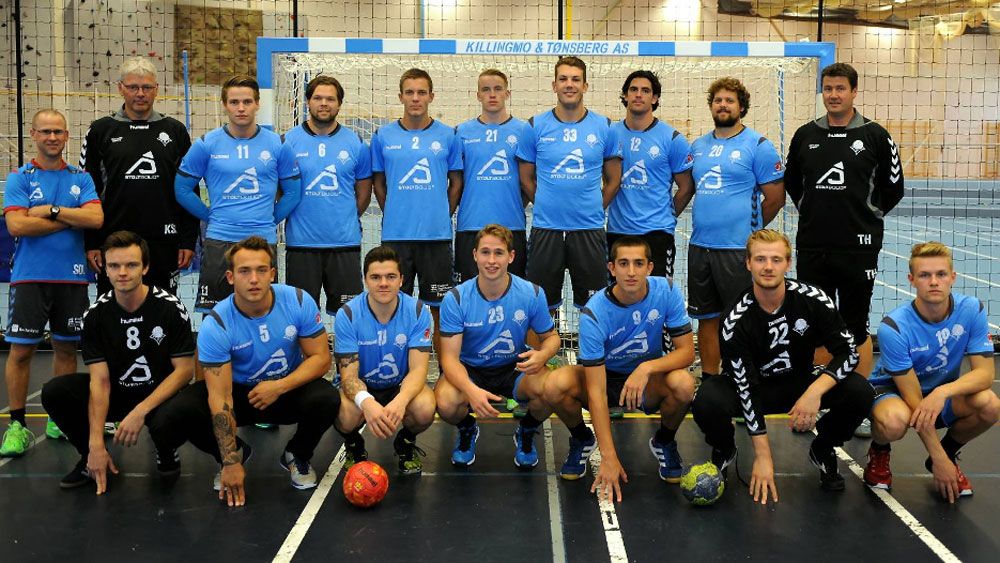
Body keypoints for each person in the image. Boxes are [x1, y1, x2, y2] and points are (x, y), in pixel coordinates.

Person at [692, 229, 875, 504]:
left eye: (776, 259)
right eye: (760, 259)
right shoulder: (735, 319)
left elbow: (848, 352)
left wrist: (814, 392)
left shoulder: (813, 298)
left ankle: (823, 448)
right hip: (755, 386)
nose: (768, 267)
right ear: (748, 263)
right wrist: (763, 456)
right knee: (707, 399)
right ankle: (725, 448)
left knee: (860, 391)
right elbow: (746, 388)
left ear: (788, 264)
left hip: (801, 381)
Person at [154, 236, 339, 506]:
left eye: (261, 270)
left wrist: (279, 386)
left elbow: (321, 359)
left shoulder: (298, 301)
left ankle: (297, 453)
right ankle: (235, 453)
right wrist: (230, 461)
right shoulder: (217, 323)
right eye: (244, 271)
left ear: (272, 274)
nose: (254, 279)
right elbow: (220, 396)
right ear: (230, 277)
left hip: (284, 389)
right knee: (177, 414)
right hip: (238, 393)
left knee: (327, 398)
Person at [543, 236, 695, 501]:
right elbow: (596, 392)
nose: (631, 272)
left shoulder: (667, 291)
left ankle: (664, 441)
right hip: (605, 376)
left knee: (684, 384)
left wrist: (646, 368)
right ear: (612, 269)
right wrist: (609, 457)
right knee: (555, 384)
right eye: (623, 264)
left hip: (647, 380)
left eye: (638, 263)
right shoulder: (594, 312)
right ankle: (582, 438)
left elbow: (687, 352)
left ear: (650, 267)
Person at [41, 231, 195, 491]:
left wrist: (140, 411)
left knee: (183, 408)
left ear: (145, 268)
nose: (122, 272)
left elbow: (185, 371)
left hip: (159, 397)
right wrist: (95, 445)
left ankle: (166, 448)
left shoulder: (170, 307)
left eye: (131, 265)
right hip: (117, 393)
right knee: (55, 391)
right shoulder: (95, 315)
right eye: (114, 266)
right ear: (105, 269)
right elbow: (99, 381)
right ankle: (89, 459)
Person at [784, 62, 904, 382]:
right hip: (813, 245)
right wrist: (811, 209)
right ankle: (820, 392)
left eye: (840, 88)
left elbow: (894, 186)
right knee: (815, 323)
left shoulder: (876, 135)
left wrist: (868, 214)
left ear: (854, 92)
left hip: (858, 248)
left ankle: (857, 395)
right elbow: (793, 183)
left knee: (856, 325)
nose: (833, 95)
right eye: (828, 88)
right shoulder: (805, 135)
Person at [1, 109, 104, 457]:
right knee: (21, 351)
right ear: (33, 134)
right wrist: (72, 219)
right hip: (29, 278)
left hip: (72, 278)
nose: (52, 137)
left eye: (58, 131)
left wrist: (51, 211)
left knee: (66, 349)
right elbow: (17, 226)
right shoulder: (19, 178)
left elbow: (96, 218)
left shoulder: (81, 177)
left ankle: (57, 418)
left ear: (66, 136)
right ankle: (17, 426)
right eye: (45, 131)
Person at [864, 242, 998, 502]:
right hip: (895, 392)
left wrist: (942, 392)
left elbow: (984, 375)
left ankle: (949, 451)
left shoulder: (972, 309)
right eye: (925, 275)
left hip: (938, 392)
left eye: (941, 274)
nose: (934, 282)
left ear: (953, 277)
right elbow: (915, 401)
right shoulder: (894, 326)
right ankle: (879, 450)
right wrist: (938, 459)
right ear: (912, 279)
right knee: (894, 422)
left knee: (990, 405)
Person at [680, 77, 784, 381]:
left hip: (737, 250)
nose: (723, 105)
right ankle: (711, 381)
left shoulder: (758, 146)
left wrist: (751, 232)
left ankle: (745, 379)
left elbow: (775, 198)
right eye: (718, 100)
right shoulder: (698, 146)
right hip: (701, 248)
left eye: (729, 100)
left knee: (742, 319)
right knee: (707, 319)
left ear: (741, 107)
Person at [436, 224, 560, 468]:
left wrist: (543, 354)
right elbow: (449, 359)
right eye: (485, 252)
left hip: (514, 366)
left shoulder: (531, 293)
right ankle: (467, 428)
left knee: (552, 390)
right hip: (470, 368)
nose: (491, 260)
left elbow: (552, 337)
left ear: (511, 256)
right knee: (446, 402)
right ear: (475, 255)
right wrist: (471, 391)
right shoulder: (456, 298)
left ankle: (527, 430)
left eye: (499, 253)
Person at [174, 75, 301, 313]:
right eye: (234, 102)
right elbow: (181, 188)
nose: (241, 108)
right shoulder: (206, 144)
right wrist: (211, 216)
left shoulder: (277, 144)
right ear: (224, 104)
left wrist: (269, 219)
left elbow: (294, 192)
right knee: (215, 315)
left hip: (263, 240)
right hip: (219, 239)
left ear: (257, 104)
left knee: (262, 311)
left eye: (247, 102)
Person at [80, 57, 196, 295]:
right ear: (121, 88)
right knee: (113, 309)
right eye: (133, 87)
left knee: (164, 308)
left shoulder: (175, 131)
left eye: (147, 87)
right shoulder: (100, 130)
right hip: (114, 241)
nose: (140, 93)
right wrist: (91, 243)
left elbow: (189, 190)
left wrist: (187, 241)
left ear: (157, 89)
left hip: (164, 241)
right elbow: (88, 190)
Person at [517, 56, 622, 313]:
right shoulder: (534, 126)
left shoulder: (605, 127)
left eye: (576, 79)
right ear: (554, 85)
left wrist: (594, 206)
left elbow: (614, 179)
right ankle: (544, 343)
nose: (569, 84)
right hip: (546, 229)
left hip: (589, 230)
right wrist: (544, 203)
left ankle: (591, 344)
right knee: (540, 307)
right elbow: (526, 178)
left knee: (594, 308)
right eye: (563, 79)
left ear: (585, 86)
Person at [371, 68, 462, 353]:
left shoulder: (448, 135)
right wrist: (394, 211)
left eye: (421, 92)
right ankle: (395, 367)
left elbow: (456, 183)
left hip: (436, 238)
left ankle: (445, 370)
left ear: (431, 96)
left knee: (440, 309)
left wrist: (441, 213)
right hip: (396, 237)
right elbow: (378, 183)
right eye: (409, 92)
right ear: (400, 96)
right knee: (392, 304)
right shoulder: (383, 135)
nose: (415, 98)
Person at [333, 246, 435, 474]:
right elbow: (348, 377)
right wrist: (367, 403)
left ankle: (406, 442)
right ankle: (353, 445)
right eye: (375, 277)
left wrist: (401, 401)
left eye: (390, 276)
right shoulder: (348, 314)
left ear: (401, 280)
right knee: (344, 414)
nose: (383, 283)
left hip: (400, 385)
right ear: (365, 280)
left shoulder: (418, 311)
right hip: (363, 385)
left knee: (425, 408)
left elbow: (419, 370)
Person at [283, 75, 372, 314]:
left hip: (344, 244)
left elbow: (364, 189)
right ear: (308, 102)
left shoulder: (356, 143)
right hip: (301, 245)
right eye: (318, 98)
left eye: (330, 99)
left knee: (349, 316)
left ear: (339, 104)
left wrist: (346, 216)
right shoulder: (288, 142)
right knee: (300, 316)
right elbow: (282, 189)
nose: (324, 103)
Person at [607, 70, 694, 278]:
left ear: (654, 98)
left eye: (645, 91)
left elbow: (687, 187)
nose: (638, 95)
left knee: (658, 293)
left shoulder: (672, 139)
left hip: (657, 234)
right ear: (625, 95)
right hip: (618, 232)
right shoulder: (610, 134)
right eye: (633, 90)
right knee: (618, 293)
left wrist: (666, 216)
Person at [454, 69, 530, 281]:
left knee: (513, 292)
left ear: (508, 93)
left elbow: (529, 180)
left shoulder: (524, 131)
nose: (492, 94)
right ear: (478, 95)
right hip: (471, 225)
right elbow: (456, 182)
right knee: (468, 292)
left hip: (511, 225)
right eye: (486, 90)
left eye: (498, 89)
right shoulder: (461, 132)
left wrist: (514, 202)